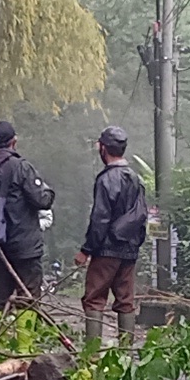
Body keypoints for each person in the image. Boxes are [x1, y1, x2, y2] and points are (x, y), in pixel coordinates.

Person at [0, 120, 55, 311]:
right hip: (25, 246)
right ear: (13, 142)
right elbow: (42, 201)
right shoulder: (22, 168)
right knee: (28, 298)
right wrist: (47, 190)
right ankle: (26, 341)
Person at [75, 125, 147, 345]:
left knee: (94, 299)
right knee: (126, 301)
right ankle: (126, 356)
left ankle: (93, 354)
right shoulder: (135, 178)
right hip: (129, 250)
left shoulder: (106, 179)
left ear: (103, 148)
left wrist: (86, 250)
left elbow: (100, 219)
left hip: (106, 250)